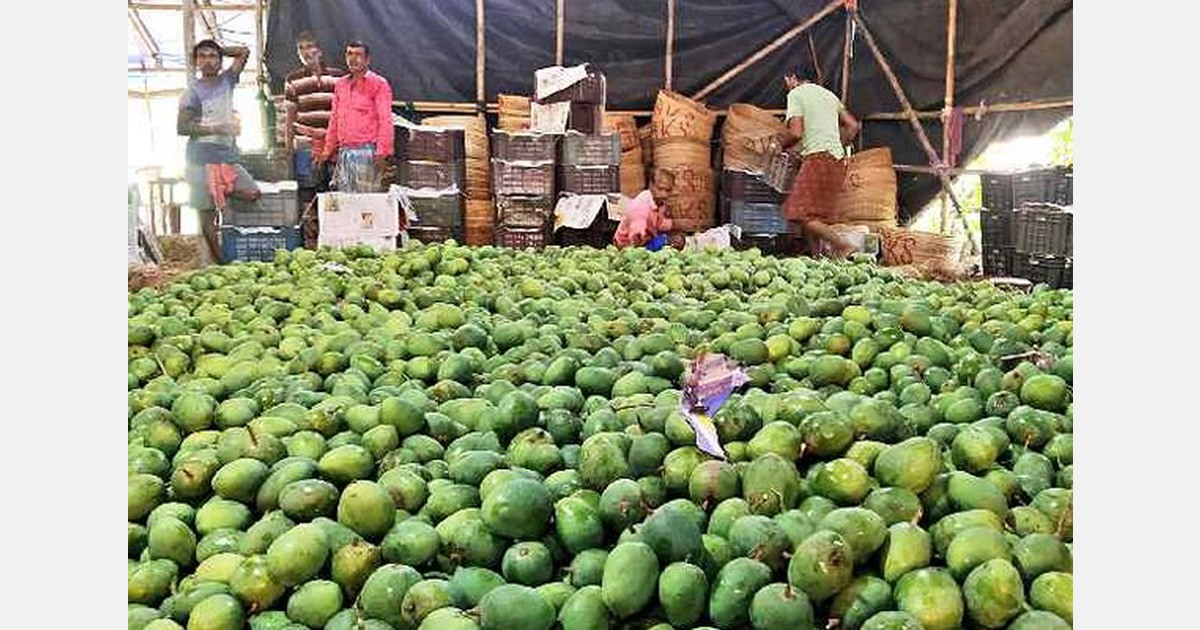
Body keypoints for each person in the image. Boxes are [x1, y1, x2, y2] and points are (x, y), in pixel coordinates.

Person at [177, 39, 261, 261]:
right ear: (196, 62)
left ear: (220, 60)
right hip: (199, 160)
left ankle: (221, 189)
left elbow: (244, 52)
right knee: (206, 217)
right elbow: (182, 127)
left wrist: (218, 49)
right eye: (202, 56)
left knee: (252, 193)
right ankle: (220, 262)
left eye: (212, 56)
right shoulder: (191, 92)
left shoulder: (227, 80)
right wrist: (219, 127)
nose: (207, 60)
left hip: (226, 157)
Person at [778, 65, 861, 258]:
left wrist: (780, 146)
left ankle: (843, 245)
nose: (787, 85)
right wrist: (836, 144)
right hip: (836, 160)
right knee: (813, 214)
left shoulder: (796, 94)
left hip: (819, 158)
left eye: (786, 81)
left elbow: (796, 133)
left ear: (792, 78)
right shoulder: (829, 95)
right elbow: (853, 125)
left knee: (798, 212)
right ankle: (817, 257)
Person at [279, 32, 346, 247]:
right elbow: (290, 116)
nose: (306, 52)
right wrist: (288, 147)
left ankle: (334, 241)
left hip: (334, 145)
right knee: (307, 193)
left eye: (310, 47)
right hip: (305, 145)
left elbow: (345, 112)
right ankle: (310, 243)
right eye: (301, 48)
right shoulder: (293, 80)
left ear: (320, 51)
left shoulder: (339, 78)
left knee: (334, 192)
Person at [316, 41, 394, 193]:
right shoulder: (341, 85)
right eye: (349, 54)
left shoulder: (379, 84)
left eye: (358, 54)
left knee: (367, 207)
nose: (353, 58)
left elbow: (386, 120)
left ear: (367, 59)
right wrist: (327, 150)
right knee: (346, 205)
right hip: (344, 154)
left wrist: (382, 153)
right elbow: (334, 120)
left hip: (368, 154)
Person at [614, 168, 675, 249]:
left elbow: (658, 223)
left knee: (676, 239)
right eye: (660, 189)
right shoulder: (641, 205)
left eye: (668, 190)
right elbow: (637, 230)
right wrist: (639, 237)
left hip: (647, 238)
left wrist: (675, 224)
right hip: (628, 244)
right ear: (651, 185)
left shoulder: (658, 202)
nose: (664, 194)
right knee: (667, 242)